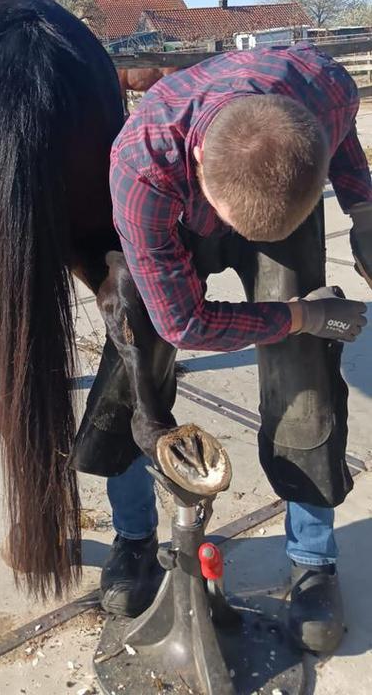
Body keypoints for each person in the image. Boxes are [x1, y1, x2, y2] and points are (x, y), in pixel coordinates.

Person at [100, 42, 371, 655]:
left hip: (274, 187)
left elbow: (345, 136)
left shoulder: (327, 87)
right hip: (173, 213)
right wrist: (301, 314)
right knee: (136, 349)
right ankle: (134, 535)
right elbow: (186, 325)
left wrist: (362, 206)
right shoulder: (141, 164)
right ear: (197, 160)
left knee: (304, 372)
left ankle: (312, 561)